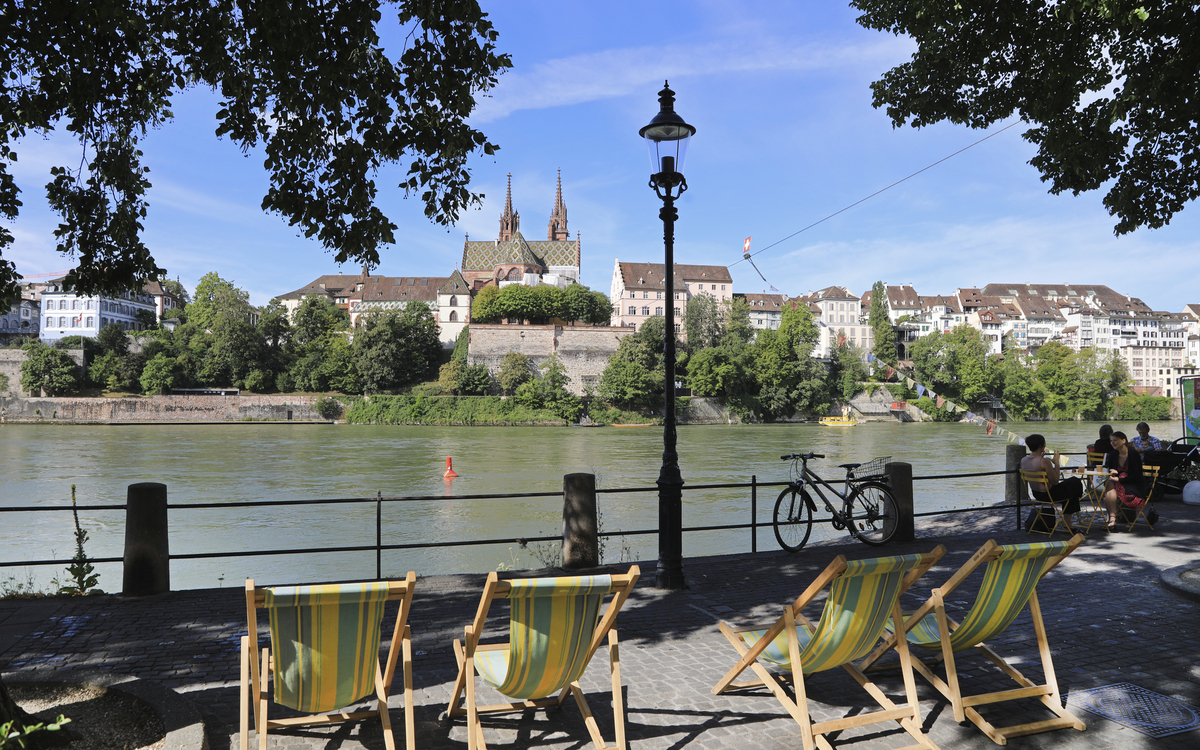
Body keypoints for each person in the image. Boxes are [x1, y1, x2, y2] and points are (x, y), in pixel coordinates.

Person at [1021, 434, 1083, 532]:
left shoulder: (1023, 460)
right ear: (1042, 446)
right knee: (1075, 482)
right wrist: (1056, 463)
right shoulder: (1044, 461)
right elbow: (1055, 481)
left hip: (1036, 493)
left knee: (1071, 490)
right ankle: (1068, 525)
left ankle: (1069, 525)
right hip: (1050, 494)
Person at [1101, 431, 1147, 532]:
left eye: (1115, 440)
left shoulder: (1133, 454)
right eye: (1111, 441)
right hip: (1116, 483)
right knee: (1109, 485)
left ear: (1123, 440)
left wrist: (1120, 479)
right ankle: (1112, 519)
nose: (1112, 443)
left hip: (1133, 485)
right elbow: (1111, 471)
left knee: (1106, 496)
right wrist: (1113, 472)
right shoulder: (1112, 454)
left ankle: (1112, 519)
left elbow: (1137, 475)